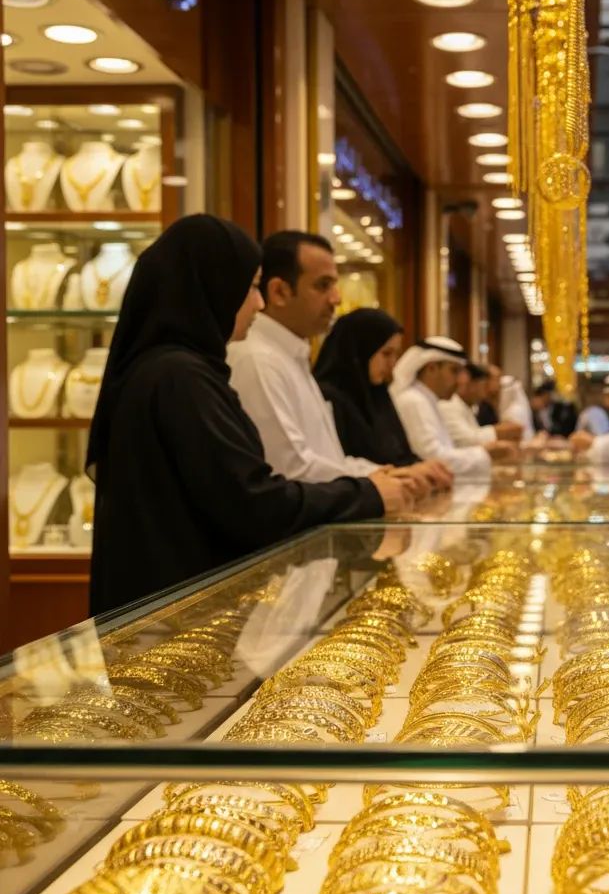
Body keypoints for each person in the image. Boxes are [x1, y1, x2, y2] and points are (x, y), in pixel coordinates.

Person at [86, 215, 410, 615]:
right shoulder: (179, 377)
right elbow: (254, 503)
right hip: (172, 620)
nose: (258, 303)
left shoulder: (176, 370)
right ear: (212, 286)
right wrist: (368, 494)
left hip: (171, 611)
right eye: (252, 286)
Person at [228, 231, 408, 486]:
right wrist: (373, 485)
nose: (337, 298)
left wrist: (383, 474)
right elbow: (289, 469)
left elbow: (327, 459)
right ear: (279, 291)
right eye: (323, 285)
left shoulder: (291, 356)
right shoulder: (257, 359)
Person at [313, 308, 451, 489]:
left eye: (396, 354)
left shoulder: (378, 395)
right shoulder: (327, 397)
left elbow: (399, 454)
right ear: (360, 350)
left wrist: (421, 467)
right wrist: (397, 473)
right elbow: (333, 465)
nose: (392, 363)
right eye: (386, 353)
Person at [391, 338, 514, 476]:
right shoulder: (413, 400)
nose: (461, 381)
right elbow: (432, 459)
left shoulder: (428, 400)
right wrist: (485, 454)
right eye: (454, 371)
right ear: (431, 368)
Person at [440, 363, 523, 448]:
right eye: (484, 386)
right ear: (471, 384)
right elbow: (465, 440)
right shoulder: (449, 404)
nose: (485, 393)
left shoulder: (468, 406)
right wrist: (498, 431)